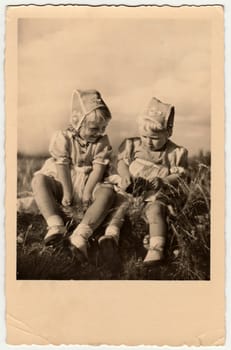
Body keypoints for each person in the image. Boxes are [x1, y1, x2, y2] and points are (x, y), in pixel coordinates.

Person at [32, 89, 116, 261]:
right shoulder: (63, 138)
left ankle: (81, 233)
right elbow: (61, 165)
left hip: (90, 180)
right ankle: (56, 226)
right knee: (39, 180)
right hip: (65, 179)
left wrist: (87, 192)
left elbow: (98, 168)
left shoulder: (101, 142)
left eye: (103, 128)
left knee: (108, 193)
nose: (99, 132)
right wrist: (67, 192)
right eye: (94, 128)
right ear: (78, 122)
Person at [105, 97, 188, 266]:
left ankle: (156, 248)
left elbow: (179, 175)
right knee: (120, 205)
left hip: (155, 193)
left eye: (155, 137)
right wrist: (125, 175)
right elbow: (122, 162)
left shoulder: (174, 152)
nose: (148, 142)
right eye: (144, 136)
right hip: (131, 188)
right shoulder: (133, 145)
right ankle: (111, 236)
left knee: (156, 210)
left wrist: (164, 180)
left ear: (168, 132)